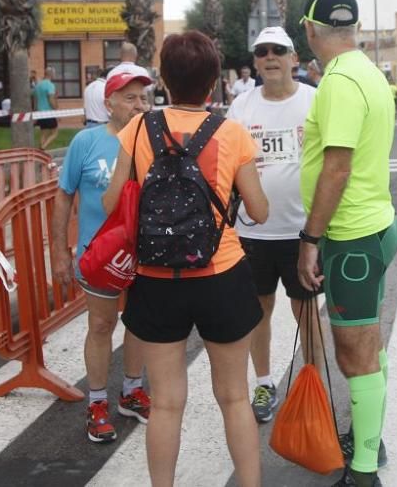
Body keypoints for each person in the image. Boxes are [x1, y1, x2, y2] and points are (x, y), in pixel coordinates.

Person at [102, 31, 268, 487]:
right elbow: (259, 210)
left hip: (155, 279)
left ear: (164, 81)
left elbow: (111, 201)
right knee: (235, 397)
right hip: (221, 275)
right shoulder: (231, 132)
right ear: (214, 81)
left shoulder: (138, 129)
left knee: (168, 402)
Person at [297, 0, 397, 487]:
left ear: (311, 30)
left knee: (354, 353)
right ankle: (369, 435)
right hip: (376, 224)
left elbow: (336, 168)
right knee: (369, 342)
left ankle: (363, 470)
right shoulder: (369, 72)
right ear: (353, 29)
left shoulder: (338, 82)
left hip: (351, 236)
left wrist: (310, 238)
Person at [226, 26, 323, 425]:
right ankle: (264, 382)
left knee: (307, 313)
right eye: (262, 51)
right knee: (259, 311)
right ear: (255, 61)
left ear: (294, 58)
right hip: (253, 233)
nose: (270, 57)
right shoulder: (242, 107)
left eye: (278, 50)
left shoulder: (315, 101)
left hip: (303, 233)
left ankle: (313, 383)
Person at [51, 71, 153, 443]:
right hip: (98, 257)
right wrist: (59, 253)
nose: (138, 105)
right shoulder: (86, 142)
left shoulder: (154, 142)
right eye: (129, 97)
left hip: (144, 255)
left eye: (143, 97)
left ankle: (131, 391)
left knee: (141, 324)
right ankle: (97, 403)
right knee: (100, 326)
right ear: (108, 103)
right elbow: (64, 196)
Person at [34, 67, 59, 150]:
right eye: (54, 74)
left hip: (40, 112)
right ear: (50, 74)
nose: (54, 75)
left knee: (43, 133)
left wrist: (35, 111)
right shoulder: (50, 85)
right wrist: (56, 109)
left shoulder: (38, 85)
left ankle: (41, 154)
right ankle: (42, 147)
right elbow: (51, 99)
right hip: (49, 112)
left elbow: (35, 100)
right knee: (55, 133)